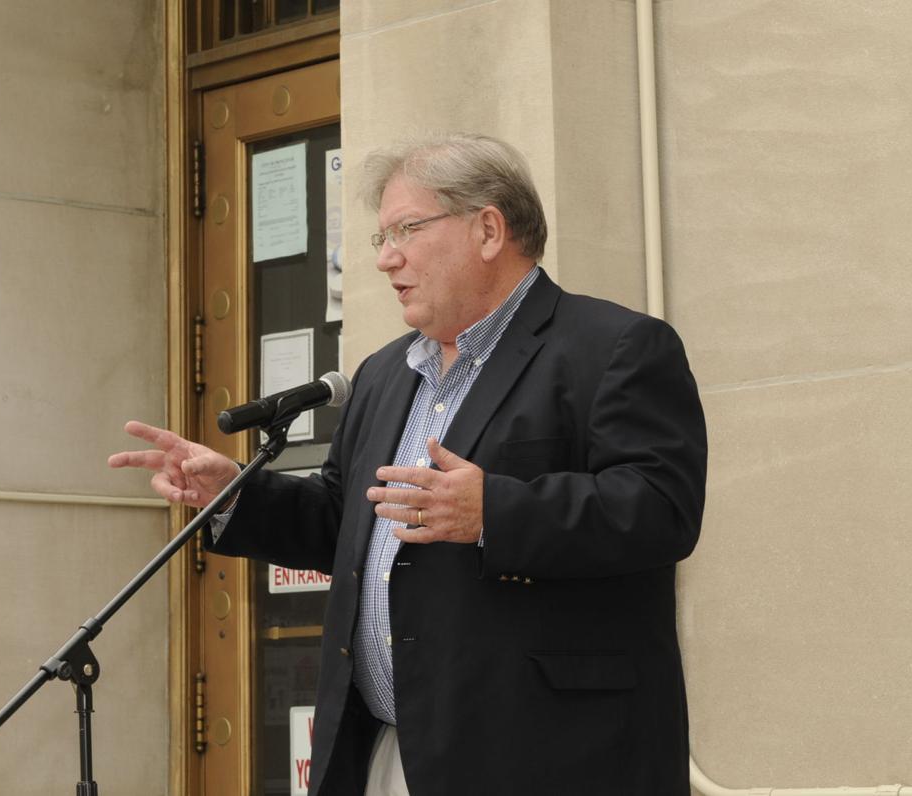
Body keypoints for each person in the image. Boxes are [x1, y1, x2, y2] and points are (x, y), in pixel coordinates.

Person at [110, 132, 707, 795]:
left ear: (487, 230)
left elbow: (661, 509)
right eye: (381, 238)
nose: (385, 259)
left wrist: (493, 511)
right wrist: (238, 494)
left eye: (407, 230)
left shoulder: (614, 347)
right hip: (386, 747)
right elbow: (346, 518)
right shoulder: (386, 373)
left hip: (545, 754)